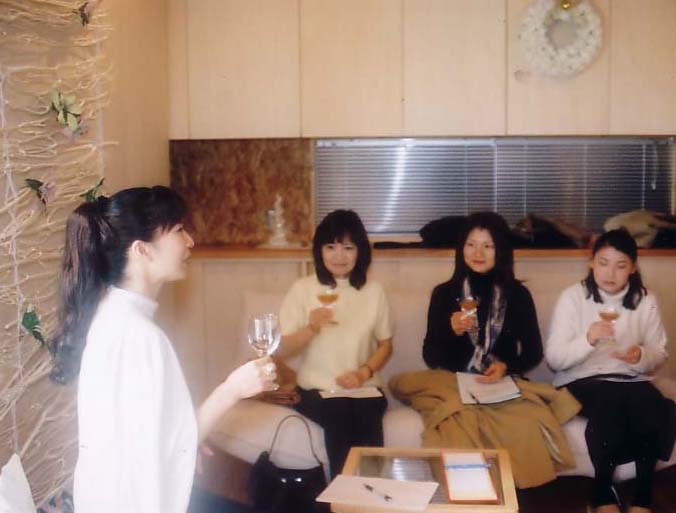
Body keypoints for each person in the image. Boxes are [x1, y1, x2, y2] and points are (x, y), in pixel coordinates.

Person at [49, 186, 277, 513]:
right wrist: (233, 389)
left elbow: (158, 438)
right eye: (179, 230)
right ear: (142, 250)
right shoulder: (140, 335)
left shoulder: (113, 315)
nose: (190, 241)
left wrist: (187, 440)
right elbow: (169, 449)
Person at [546, 228, 676, 513]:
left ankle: (642, 497)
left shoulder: (646, 299)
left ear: (633, 268)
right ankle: (602, 494)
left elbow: (659, 353)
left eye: (620, 266)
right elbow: (554, 359)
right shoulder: (573, 297)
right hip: (581, 379)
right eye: (603, 263)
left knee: (654, 406)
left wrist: (640, 356)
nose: (610, 273)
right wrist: (588, 339)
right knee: (612, 399)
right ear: (591, 262)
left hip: (630, 378)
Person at [278, 209, 393, 477]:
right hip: (316, 390)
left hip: (364, 389)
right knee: (338, 410)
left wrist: (362, 373)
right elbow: (282, 349)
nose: (339, 256)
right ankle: (343, 495)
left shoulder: (374, 291)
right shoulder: (303, 289)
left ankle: (374, 491)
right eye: (330, 247)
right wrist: (311, 328)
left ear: (360, 252)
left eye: (348, 248)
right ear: (319, 251)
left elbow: (386, 345)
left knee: (366, 412)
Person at [423, 211, 542, 378]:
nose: (478, 253)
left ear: (501, 250)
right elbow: (430, 358)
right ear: (462, 248)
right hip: (455, 383)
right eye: (471, 245)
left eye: (488, 246)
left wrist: (506, 367)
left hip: (502, 382)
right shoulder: (443, 293)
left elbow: (534, 353)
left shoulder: (517, 294)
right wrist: (450, 330)